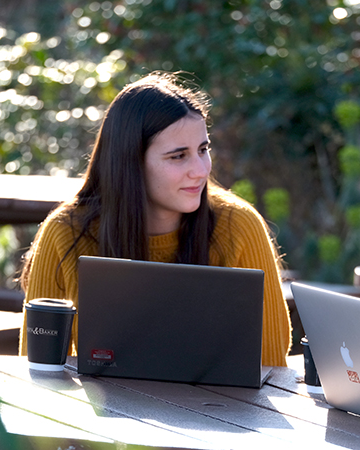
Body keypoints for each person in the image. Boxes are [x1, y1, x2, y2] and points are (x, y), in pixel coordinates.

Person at [18, 72, 292, 366]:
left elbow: (270, 363)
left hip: (215, 410)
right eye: (178, 156)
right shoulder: (67, 231)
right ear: (130, 161)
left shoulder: (239, 225)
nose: (200, 170)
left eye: (203, 150)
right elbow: (37, 368)